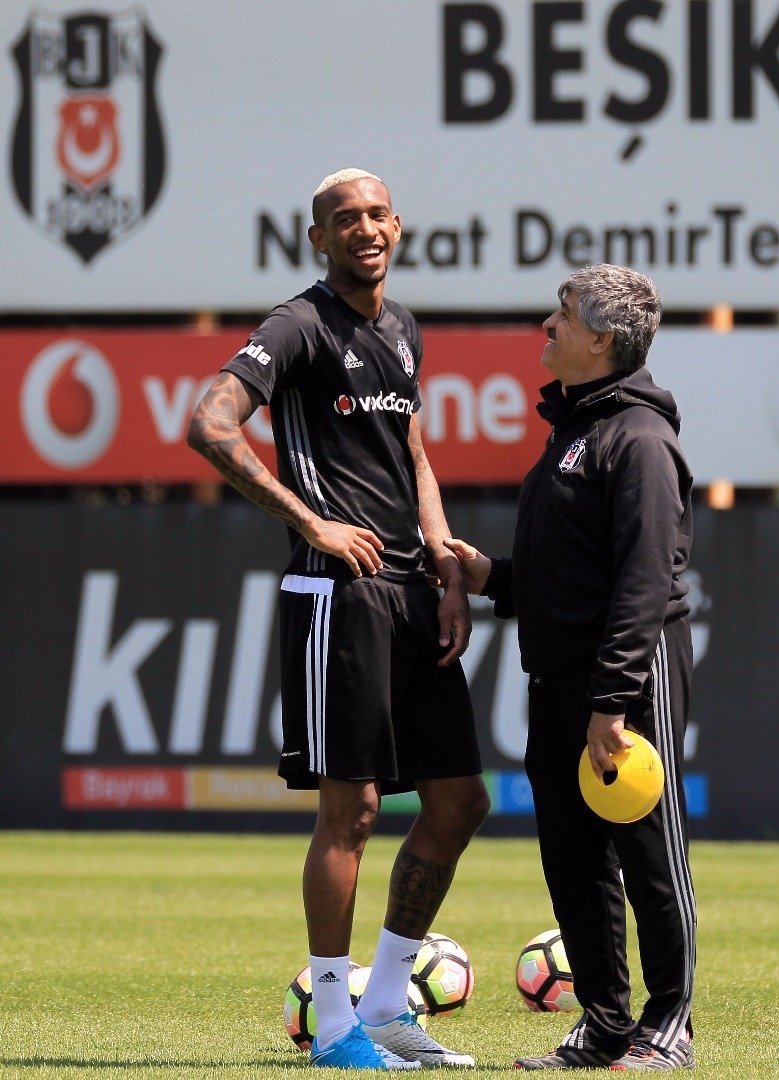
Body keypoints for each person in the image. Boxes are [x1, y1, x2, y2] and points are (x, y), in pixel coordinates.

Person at [188, 168, 489, 1070]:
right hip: (336, 593)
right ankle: (332, 1027)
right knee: (351, 808)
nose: (364, 229)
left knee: (458, 802)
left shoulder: (402, 330)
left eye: (376, 215)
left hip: (408, 592)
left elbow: (414, 450)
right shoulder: (298, 325)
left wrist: (441, 558)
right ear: (317, 238)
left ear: (398, 226)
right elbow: (209, 423)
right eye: (343, 219)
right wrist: (311, 521)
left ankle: (389, 1005)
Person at [445, 264, 696, 1072]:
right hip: (557, 676)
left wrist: (612, 700)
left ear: (602, 339)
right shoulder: (576, 433)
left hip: (625, 682)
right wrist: (492, 578)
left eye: (562, 313)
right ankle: (605, 1024)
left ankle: (669, 1026)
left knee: (649, 852)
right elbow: (568, 574)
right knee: (574, 857)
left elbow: (646, 579)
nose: (547, 326)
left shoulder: (642, 439)